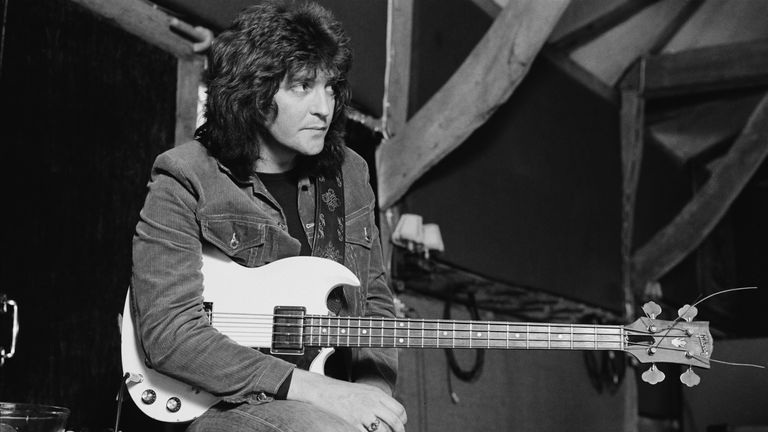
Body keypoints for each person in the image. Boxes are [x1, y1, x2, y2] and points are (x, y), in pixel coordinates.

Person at [129, 1, 406, 431]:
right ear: (253, 92)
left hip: (328, 394)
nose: (324, 108)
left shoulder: (350, 174)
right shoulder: (187, 175)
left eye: (331, 88)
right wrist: (320, 393)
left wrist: (373, 394)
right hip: (215, 403)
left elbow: (373, 305)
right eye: (303, 87)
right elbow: (170, 333)